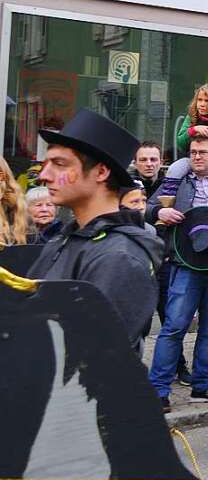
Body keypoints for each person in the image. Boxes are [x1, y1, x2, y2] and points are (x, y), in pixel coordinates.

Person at [26, 110, 161, 351]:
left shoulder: (118, 258)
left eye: (59, 164)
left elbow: (92, 358)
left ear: (101, 172)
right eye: (47, 163)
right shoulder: (67, 237)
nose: (44, 176)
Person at [145, 135, 208, 413]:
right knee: (174, 326)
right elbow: (140, 206)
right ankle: (158, 391)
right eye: (193, 152)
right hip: (185, 262)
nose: (197, 157)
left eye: (203, 152)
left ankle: (203, 386)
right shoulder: (178, 180)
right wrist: (160, 211)